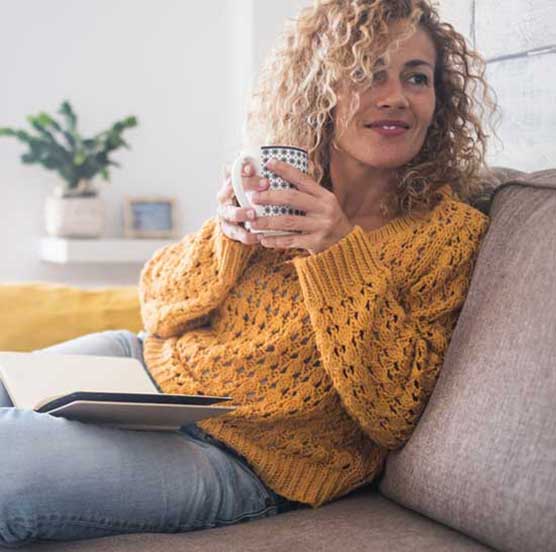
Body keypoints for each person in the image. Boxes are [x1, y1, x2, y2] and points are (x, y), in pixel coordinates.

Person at [0, 0, 499, 547]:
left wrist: (336, 253)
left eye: (416, 77)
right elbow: (159, 306)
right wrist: (226, 236)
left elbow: (396, 412)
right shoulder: (280, 184)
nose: (396, 96)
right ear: (320, 90)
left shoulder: (449, 235)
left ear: (439, 99)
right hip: (142, 369)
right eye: (365, 73)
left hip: (242, 459)